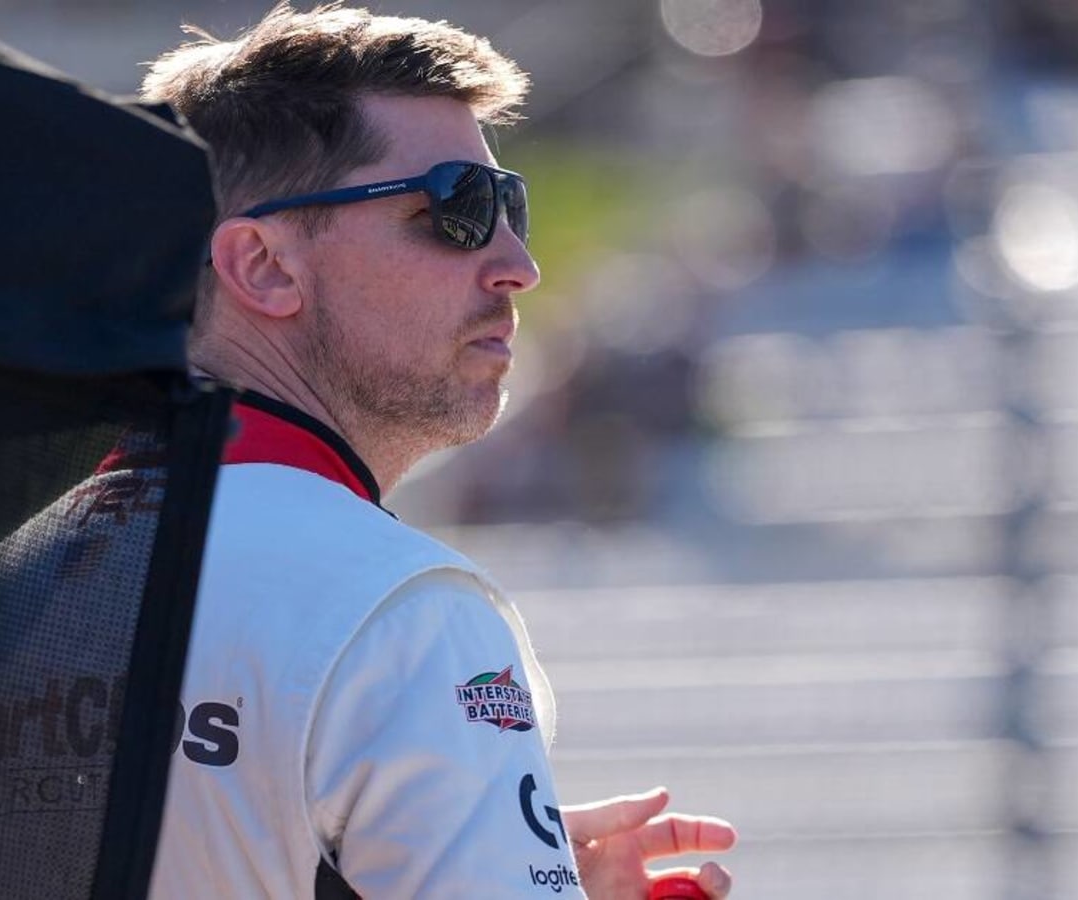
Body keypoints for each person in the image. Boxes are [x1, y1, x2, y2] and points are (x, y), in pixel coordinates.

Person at [137, 4, 737, 899]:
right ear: (263, 266)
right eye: (455, 210)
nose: (516, 264)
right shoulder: (397, 609)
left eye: (509, 206)